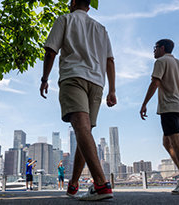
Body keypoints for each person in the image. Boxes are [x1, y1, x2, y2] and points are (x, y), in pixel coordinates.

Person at [40, 0, 116, 201]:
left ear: (72, 3)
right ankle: (73, 184)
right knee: (85, 132)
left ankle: (101, 184)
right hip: (97, 82)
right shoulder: (101, 28)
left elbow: (51, 51)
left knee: (81, 130)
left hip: (73, 77)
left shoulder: (65, 19)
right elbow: (110, 60)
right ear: (89, 6)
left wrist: (44, 79)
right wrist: (112, 90)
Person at [139, 39, 179, 195]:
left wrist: (144, 104)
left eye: (155, 48)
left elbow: (155, 83)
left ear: (162, 48)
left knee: (176, 143)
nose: (153, 51)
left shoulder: (161, 62)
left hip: (170, 107)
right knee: (167, 142)